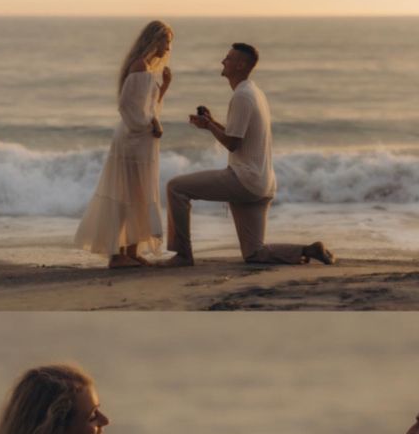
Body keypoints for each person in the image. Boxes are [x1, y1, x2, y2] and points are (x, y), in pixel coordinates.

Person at [165, 42, 334, 267]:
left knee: (176, 188)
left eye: (228, 58)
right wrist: (211, 122)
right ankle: (308, 250)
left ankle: (183, 255)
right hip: (263, 183)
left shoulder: (242, 96)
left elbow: (233, 143)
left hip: (243, 180)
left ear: (240, 65)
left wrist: (209, 127)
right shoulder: (254, 92)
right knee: (255, 253)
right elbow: (238, 135)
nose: (223, 61)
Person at [75, 20, 173, 267]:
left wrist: (164, 90)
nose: (168, 47)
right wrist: (150, 125)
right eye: (166, 41)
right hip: (133, 140)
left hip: (141, 140)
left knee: (138, 195)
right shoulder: (139, 66)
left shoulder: (146, 68)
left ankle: (131, 250)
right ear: (154, 40)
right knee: (126, 194)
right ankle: (116, 255)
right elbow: (127, 107)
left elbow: (148, 108)